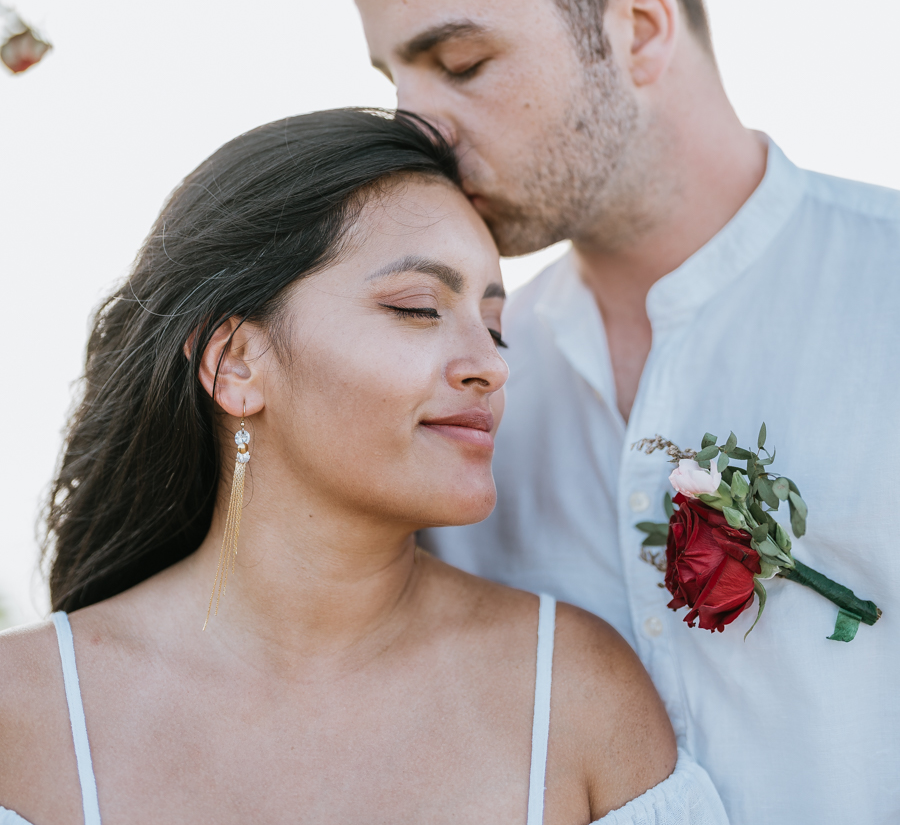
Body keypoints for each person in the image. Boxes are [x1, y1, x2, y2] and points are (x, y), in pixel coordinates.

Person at [327, 0, 900, 824]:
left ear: (637, 31)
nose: (415, 128)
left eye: (460, 63)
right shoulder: (450, 399)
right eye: (393, 77)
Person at [0, 109, 727, 825]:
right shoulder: (22, 711)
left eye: (494, 327)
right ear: (236, 365)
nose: (490, 365)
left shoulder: (575, 695)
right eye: (417, 308)